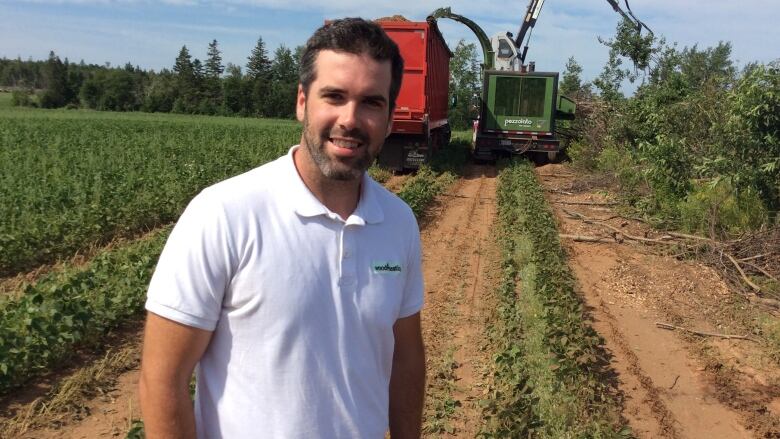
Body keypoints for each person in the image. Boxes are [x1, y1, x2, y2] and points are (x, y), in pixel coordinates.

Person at [138, 17, 426, 439]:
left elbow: (405, 360)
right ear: (302, 102)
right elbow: (162, 379)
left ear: (388, 118)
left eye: (371, 102)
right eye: (334, 96)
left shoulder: (398, 221)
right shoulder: (225, 213)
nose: (350, 119)